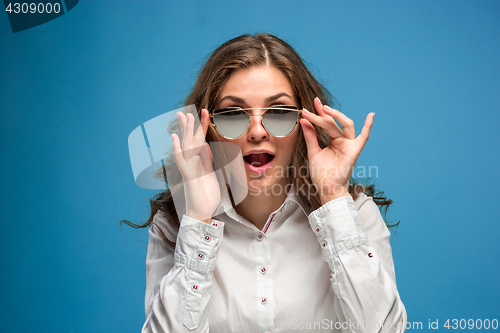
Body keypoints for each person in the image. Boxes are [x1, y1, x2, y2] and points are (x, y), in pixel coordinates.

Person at [134, 33, 407, 332]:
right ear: (206, 129)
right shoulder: (175, 224)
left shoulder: (354, 213)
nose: (257, 131)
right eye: (233, 114)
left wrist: (333, 198)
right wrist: (198, 219)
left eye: (278, 112)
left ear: (306, 124)